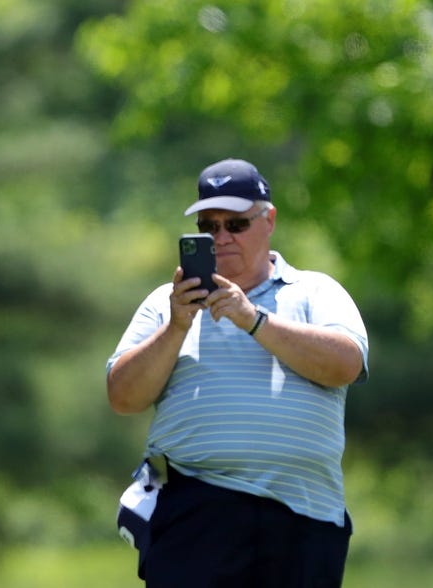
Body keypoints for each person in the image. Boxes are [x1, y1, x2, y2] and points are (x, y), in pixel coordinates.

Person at [107, 158, 369, 587]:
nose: (222, 237)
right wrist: (176, 326)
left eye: (237, 225)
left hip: (303, 516)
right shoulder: (165, 303)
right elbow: (123, 396)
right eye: (210, 227)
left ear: (269, 220)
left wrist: (253, 320)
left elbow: (345, 364)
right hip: (195, 509)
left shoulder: (316, 291)